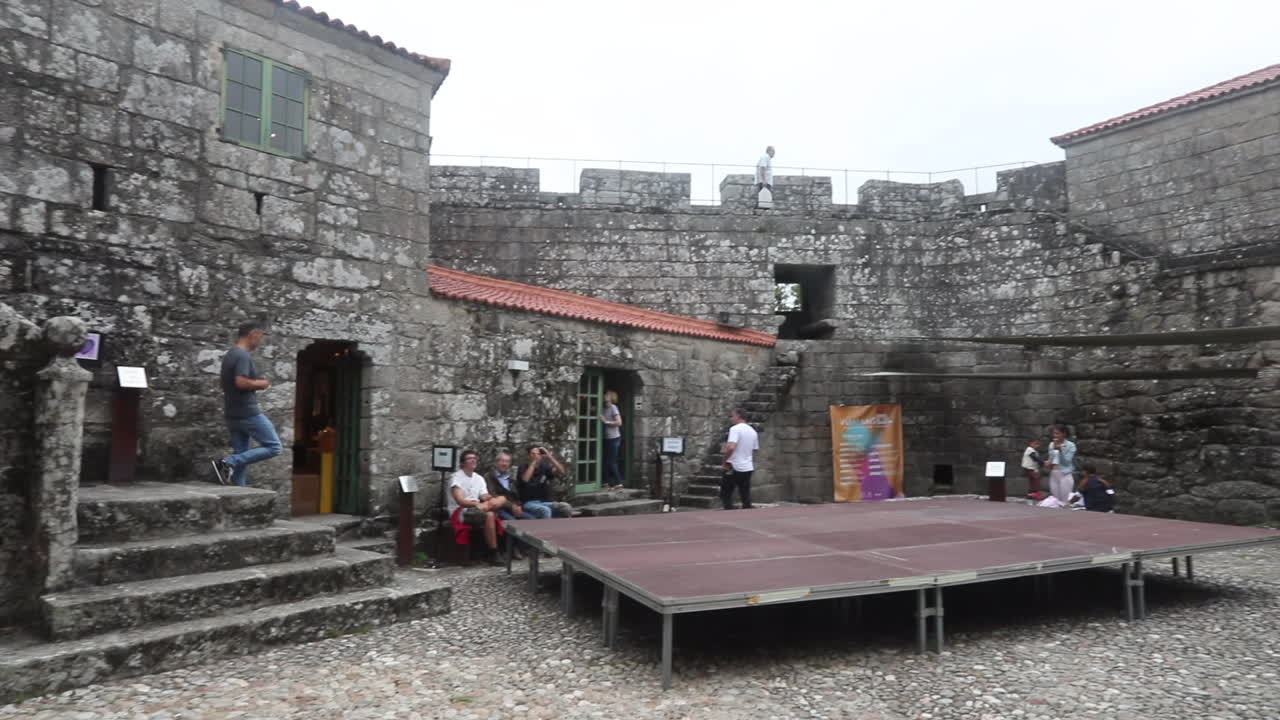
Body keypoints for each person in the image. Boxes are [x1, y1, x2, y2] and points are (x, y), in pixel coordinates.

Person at [212, 322, 282, 487]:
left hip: (233, 412)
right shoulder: (242, 355)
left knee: (242, 453)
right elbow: (241, 382)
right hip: (247, 412)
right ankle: (227, 462)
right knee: (274, 446)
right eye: (261, 336)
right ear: (254, 334)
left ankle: (239, 489)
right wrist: (261, 383)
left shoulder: (230, 354)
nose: (261, 340)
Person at [448, 449, 506, 565]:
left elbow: (484, 495)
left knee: (501, 500)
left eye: (475, 458)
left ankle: (493, 553)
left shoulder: (478, 478)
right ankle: (493, 553)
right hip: (462, 512)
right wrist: (478, 504)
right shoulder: (456, 478)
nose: (473, 460)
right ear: (463, 463)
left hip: (479, 509)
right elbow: (461, 501)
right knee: (489, 514)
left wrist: (492, 500)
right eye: (470, 458)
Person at [517, 446, 573, 518]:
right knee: (546, 510)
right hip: (528, 503)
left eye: (538, 454)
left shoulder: (544, 467)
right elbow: (525, 480)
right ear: (529, 456)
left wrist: (549, 456)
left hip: (544, 502)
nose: (536, 456)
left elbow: (561, 471)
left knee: (566, 507)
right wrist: (534, 463)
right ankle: (548, 529)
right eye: (533, 454)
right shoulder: (523, 467)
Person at [721, 409, 759, 510]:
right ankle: (747, 509)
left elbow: (731, 447)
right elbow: (755, 450)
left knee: (726, 492)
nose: (731, 419)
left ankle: (728, 510)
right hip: (748, 466)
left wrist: (725, 460)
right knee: (745, 493)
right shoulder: (753, 431)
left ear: (738, 416)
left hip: (734, 464)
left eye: (732, 416)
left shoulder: (735, 429)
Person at [485, 451, 531, 521]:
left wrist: (518, 506)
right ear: (496, 463)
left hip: (514, 509)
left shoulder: (511, 477)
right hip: (499, 509)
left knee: (532, 520)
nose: (504, 464)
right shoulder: (489, 476)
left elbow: (516, 496)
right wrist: (511, 506)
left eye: (507, 461)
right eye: (502, 461)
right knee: (513, 524)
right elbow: (493, 495)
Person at [1045, 426, 1078, 503]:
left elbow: (1067, 461)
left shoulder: (1071, 445)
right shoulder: (1051, 444)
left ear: (1064, 434)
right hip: (1054, 473)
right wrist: (1048, 462)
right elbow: (1051, 459)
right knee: (1055, 500)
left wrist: (1060, 450)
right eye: (1054, 433)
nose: (1055, 436)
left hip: (1065, 474)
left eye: (1057, 433)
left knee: (1064, 500)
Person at [600, 390, 624, 489]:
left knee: (611, 461)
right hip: (606, 438)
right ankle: (606, 482)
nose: (604, 396)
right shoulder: (603, 408)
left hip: (614, 438)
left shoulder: (613, 407)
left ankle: (619, 482)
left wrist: (606, 422)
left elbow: (619, 422)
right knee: (605, 461)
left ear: (611, 397)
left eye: (606, 395)